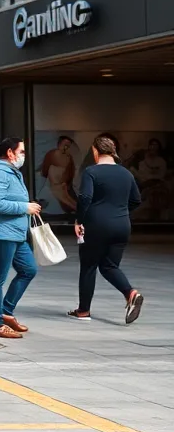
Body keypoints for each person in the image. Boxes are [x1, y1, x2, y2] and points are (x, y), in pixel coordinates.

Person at [69, 136, 144, 323]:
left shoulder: (91, 172)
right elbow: (136, 200)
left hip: (96, 225)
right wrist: (119, 212)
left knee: (88, 266)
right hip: (122, 225)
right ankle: (131, 293)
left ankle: (83, 311)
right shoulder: (126, 174)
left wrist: (79, 220)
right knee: (110, 266)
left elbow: (85, 197)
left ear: (95, 151)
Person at [0, 137, 43, 339]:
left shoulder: (11, 172)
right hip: (0, 234)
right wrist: (25, 207)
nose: (24, 155)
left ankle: (5, 311)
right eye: (21, 151)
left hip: (14, 233)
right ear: (10, 153)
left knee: (28, 269)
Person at [40, 136, 78, 212]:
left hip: (64, 186)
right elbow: (45, 171)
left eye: (68, 146)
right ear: (59, 145)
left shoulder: (69, 159)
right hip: (54, 187)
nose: (65, 148)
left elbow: (70, 174)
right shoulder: (51, 155)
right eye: (64, 145)